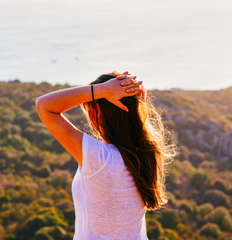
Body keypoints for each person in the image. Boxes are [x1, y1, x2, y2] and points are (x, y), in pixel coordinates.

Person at [36, 71, 176, 240]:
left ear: (97, 113)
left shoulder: (100, 159)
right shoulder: (146, 152)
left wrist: (100, 90)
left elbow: (44, 105)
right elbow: (137, 126)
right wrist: (134, 99)